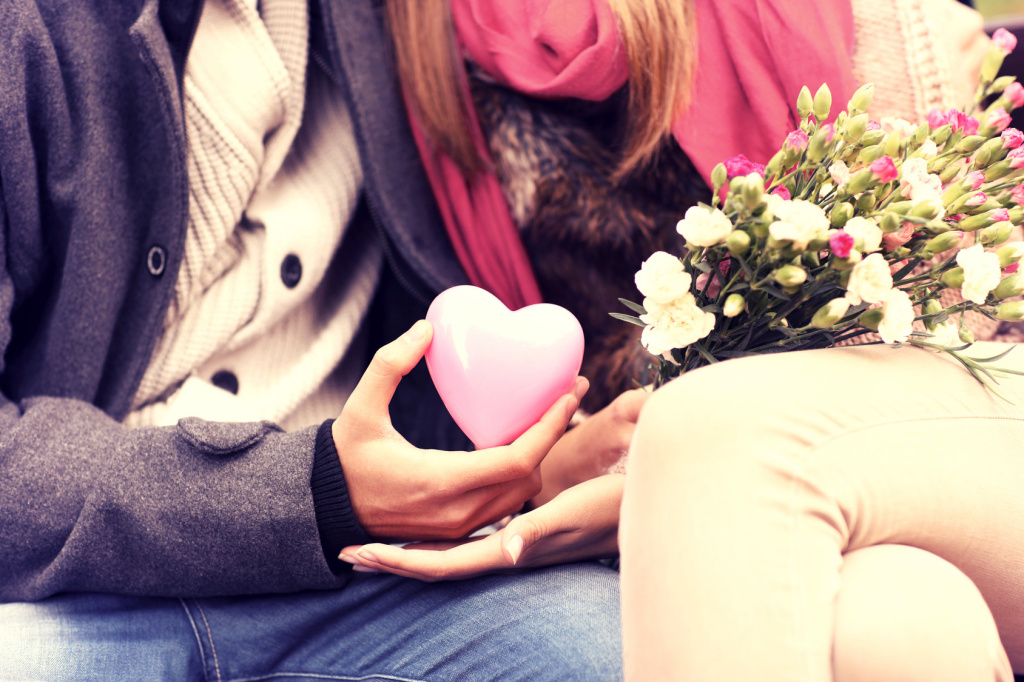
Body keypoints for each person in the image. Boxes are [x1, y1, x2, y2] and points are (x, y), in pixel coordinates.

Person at [339, 0, 1024, 679]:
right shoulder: (400, 51)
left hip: (963, 424)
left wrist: (646, 478)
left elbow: (955, 309)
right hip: (736, 499)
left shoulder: (846, 22)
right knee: (899, 626)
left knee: (702, 427)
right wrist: (552, 471)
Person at [0, 0, 633, 679]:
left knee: (612, 644)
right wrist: (317, 490)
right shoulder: (30, 29)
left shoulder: (403, 27)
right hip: (70, 592)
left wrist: (527, 471)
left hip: (364, 584)